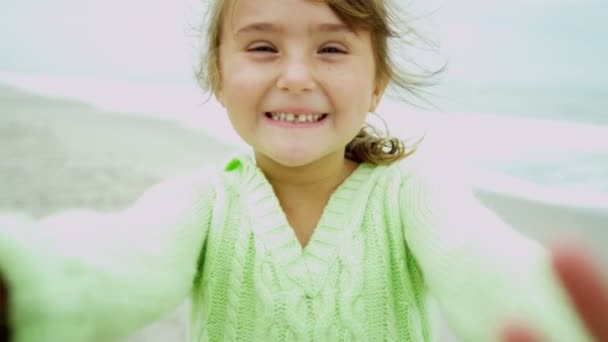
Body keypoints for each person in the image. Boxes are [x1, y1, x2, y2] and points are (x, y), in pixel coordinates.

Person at [0, 0, 606, 341]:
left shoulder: (414, 195)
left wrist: (550, 316)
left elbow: (480, 261)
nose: (295, 75)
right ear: (218, 74)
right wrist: (20, 284)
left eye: (332, 48)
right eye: (262, 47)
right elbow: (116, 262)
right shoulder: (199, 203)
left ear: (376, 84)